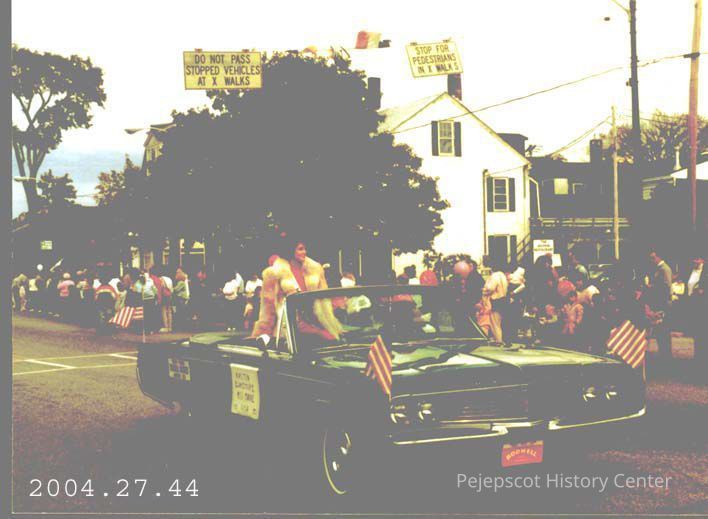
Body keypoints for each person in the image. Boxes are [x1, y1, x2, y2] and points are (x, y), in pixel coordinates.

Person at [250, 239, 342, 343]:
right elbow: (268, 309)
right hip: (291, 332)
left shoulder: (315, 270)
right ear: (290, 250)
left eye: (305, 249)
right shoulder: (274, 274)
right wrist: (261, 335)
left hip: (317, 325)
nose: (305, 252)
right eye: (300, 249)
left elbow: (325, 302)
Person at [647, 249, 673, 359]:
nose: (652, 260)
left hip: (663, 303)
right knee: (660, 330)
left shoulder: (664, 269)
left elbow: (666, 286)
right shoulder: (659, 268)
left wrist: (652, 287)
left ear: (659, 257)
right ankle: (663, 353)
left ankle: (666, 354)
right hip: (660, 302)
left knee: (663, 330)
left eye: (653, 258)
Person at [685, 255, 706, 364]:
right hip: (692, 305)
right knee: (696, 333)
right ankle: (698, 357)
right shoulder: (691, 270)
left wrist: (701, 292)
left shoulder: (705, 272)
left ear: (703, 260)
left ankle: (702, 358)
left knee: (702, 333)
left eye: (697, 259)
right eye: (694, 259)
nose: (695, 261)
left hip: (702, 306)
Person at [483, 258, 509, 342]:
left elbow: (490, 288)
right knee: (499, 323)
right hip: (503, 300)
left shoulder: (495, 276)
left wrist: (483, 290)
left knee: (495, 323)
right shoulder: (502, 275)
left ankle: (498, 340)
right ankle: (500, 340)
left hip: (495, 301)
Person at [158, 266, 174, 333]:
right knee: (169, 311)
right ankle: (170, 327)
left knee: (164, 311)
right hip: (169, 296)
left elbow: (161, 287)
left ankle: (166, 326)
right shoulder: (170, 279)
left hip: (164, 296)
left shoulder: (161, 279)